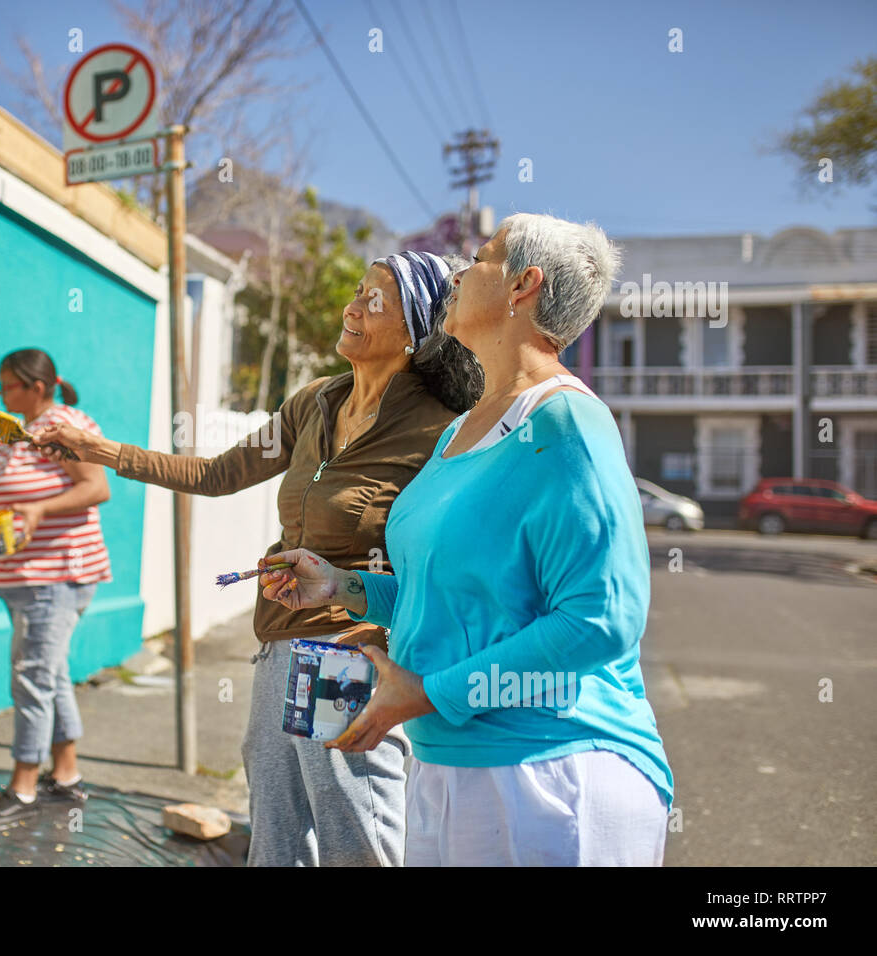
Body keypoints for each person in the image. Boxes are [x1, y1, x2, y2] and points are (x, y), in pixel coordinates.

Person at [32, 252, 484, 866]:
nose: (352, 306)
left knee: (355, 839)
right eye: (356, 290)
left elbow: (452, 563)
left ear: (417, 334)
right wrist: (99, 448)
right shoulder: (315, 403)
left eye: (375, 301)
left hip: (351, 657)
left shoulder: (442, 432)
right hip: (278, 646)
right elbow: (218, 474)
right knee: (274, 837)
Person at [259, 214, 674, 866]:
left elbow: (603, 619)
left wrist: (427, 693)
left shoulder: (567, 422)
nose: (456, 271)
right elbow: (450, 593)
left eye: (479, 258)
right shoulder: (459, 434)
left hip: (552, 774)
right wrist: (344, 587)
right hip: (445, 764)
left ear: (522, 285)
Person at [0, 348, 112, 830]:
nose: (0, 395)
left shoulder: (61, 424)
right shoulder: (15, 435)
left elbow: (95, 487)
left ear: (36, 386)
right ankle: (65, 777)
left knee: (32, 677)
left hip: (55, 576)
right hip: (26, 580)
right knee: (51, 674)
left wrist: (40, 511)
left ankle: (22, 787)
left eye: (7, 386)